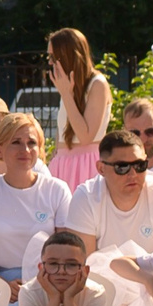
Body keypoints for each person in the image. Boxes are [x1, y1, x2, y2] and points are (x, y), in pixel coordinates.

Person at [0, 112, 73, 295]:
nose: (25, 150)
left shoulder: (58, 190)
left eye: (31, 143)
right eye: (16, 142)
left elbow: (67, 248)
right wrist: (2, 285)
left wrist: (43, 282)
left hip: (49, 282)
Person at [66, 130, 153, 257]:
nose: (133, 174)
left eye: (140, 165)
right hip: (98, 276)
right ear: (101, 168)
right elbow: (82, 264)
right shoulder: (86, 198)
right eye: (122, 167)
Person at [43, 29, 113, 191]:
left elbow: (85, 136)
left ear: (67, 56)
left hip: (86, 165)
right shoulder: (68, 85)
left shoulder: (97, 84)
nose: (50, 63)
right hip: (62, 165)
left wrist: (66, 95)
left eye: (53, 57)